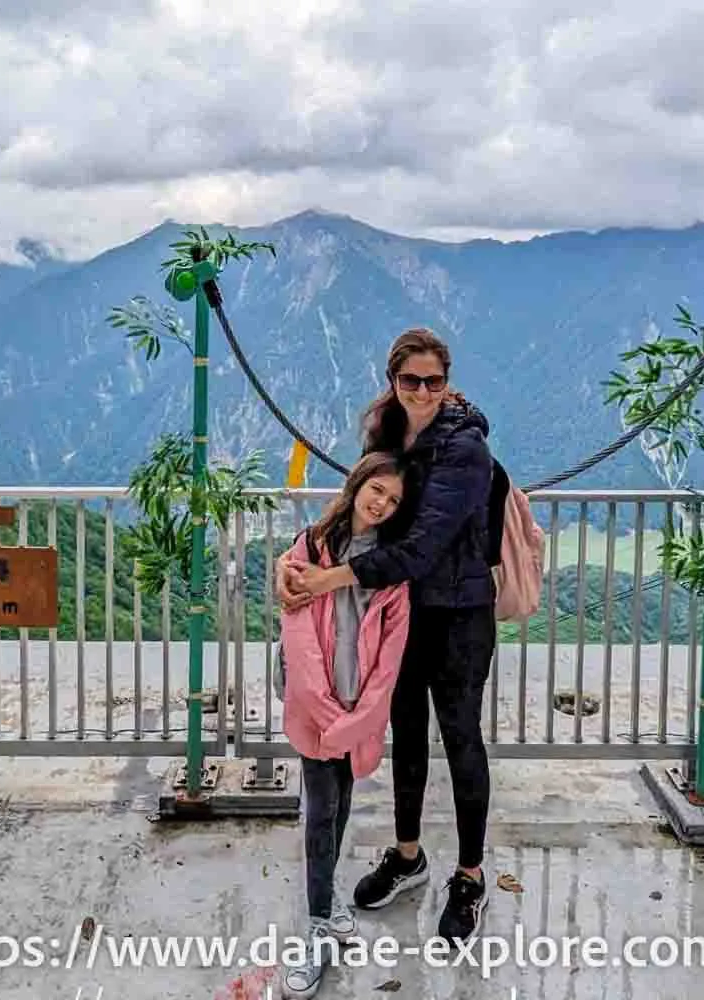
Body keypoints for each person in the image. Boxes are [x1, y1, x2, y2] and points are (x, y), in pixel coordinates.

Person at [277, 327, 496, 947]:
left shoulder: (465, 449)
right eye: (410, 381)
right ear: (392, 381)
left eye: (433, 381)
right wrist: (295, 566)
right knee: (404, 732)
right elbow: (359, 510)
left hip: (457, 611)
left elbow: (421, 548)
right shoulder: (386, 433)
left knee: (460, 740)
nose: (422, 391)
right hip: (397, 610)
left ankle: (470, 876)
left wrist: (328, 581)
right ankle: (407, 855)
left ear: (447, 382)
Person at [278, 451, 413, 999]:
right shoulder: (311, 547)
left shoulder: (391, 570)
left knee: (344, 805)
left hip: (358, 709)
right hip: (318, 709)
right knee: (321, 812)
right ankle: (315, 928)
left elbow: (391, 661)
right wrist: (334, 717)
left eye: (394, 500)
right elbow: (299, 640)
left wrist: (361, 718)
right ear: (357, 485)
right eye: (376, 490)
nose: (381, 504)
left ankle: (329, 901)